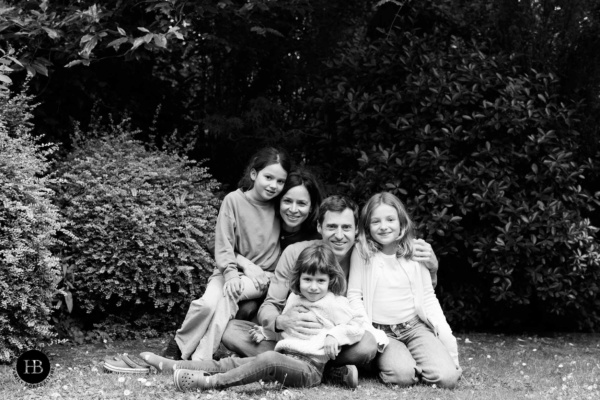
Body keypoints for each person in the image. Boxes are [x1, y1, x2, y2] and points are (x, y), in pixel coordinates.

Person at [220, 195, 441, 387]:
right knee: (231, 330)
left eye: (346, 228)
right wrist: (281, 321)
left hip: (339, 343)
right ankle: (328, 371)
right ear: (319, 228)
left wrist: (432, 267)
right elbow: (270, 305)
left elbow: (406, 281)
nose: (339, 235)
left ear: (356, 230)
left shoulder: (366, 255)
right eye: (331, 227)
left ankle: (307, 366)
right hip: (296, 337)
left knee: (367, 343)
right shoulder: (295, 253)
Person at [139, 243, 366, 392]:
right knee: (232, 362)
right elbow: (289, 330)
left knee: (267, 360)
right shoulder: (295, 299)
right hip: (284, 355)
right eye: (308, 280)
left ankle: (211, 382)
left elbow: (357, 326)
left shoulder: (335, 303)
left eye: (320, 281)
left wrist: (333, 335)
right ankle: (176, 365)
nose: (313, 287)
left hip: (309, 370)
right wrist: (267, 331)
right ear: (299, 278)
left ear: (330, 281)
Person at [168, 147, 291, 361]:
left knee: (228, 297)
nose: (273, 185)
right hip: (229, 270)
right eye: (268, 177)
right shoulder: (233, 201)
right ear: (254, 174)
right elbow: (223, 243)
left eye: (280, 181)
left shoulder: (279, 206)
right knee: (207, 303)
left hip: (263, 276)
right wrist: (231, 273)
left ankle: (200, 359)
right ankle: (179, 345)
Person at [347, 192, 461, 388]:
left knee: (448, 378)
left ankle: (418, 359)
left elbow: (428, 296)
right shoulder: (362, 252)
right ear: (367, 226)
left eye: (390, 219)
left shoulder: (416, 250)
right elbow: (354, 296)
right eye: (376, 222)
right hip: (382, 331)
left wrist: (447, 338)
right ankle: (390, 362)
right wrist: (371, 333)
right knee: (402, 377)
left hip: (414, 328)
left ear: (402, 222)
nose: (383, 226)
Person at [234, 168, 324, 320]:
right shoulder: (263, 221)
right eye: (287, 201)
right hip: (250, 282)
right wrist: (247, 265)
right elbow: (217, 243)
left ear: (311, 208)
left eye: (301, 203)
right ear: (279, 201)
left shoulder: (314, 239)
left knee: (249, 310)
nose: (293, 210)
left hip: (285, 300)